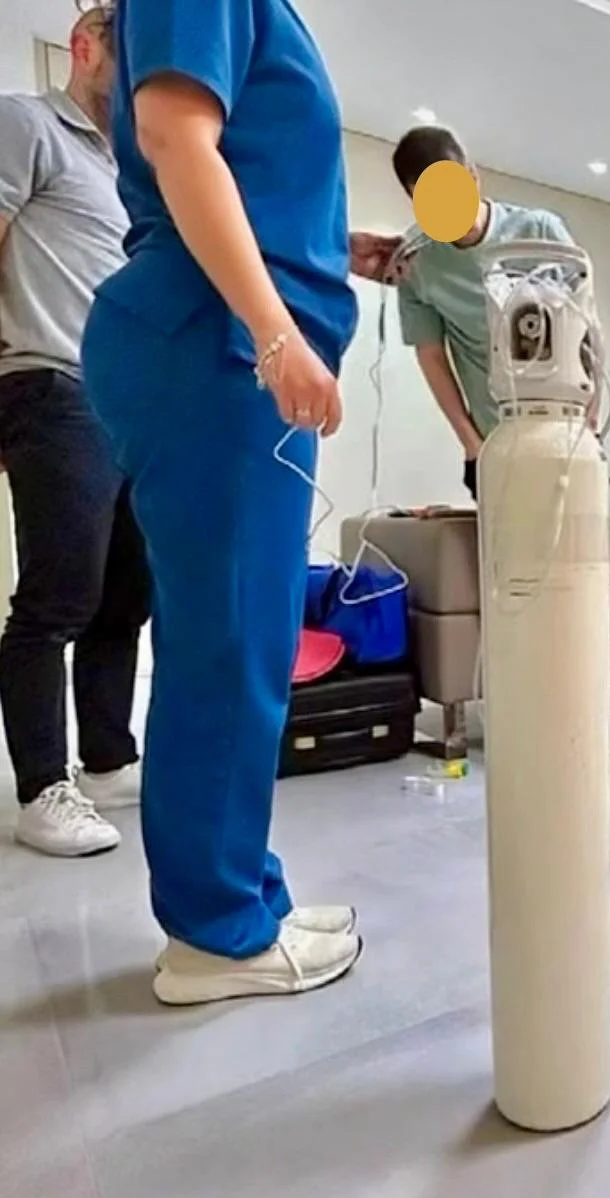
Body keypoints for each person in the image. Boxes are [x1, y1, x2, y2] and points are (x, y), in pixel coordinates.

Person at [81, 0, 363, 1005]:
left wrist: (337, 250)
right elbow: (170, 133)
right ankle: (216, 935)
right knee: (228, 647)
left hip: (213, 338)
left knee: (240, 642)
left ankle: (246, 898)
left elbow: (238, 157)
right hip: (214, 345)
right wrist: (277, 332)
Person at [0, 4, 150, 857]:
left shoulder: (125, 168)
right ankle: (41, 789)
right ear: (85, 46)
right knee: (56, 598)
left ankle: (104, 760)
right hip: (51, 383)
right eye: (128, 54)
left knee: (124, 598)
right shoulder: (26, 123)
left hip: (126, 402)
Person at [390, 124, 598, 501]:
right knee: (502, 557)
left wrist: (590, 425)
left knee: (576, 555)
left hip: (564, 431)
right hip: (493, 439)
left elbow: (587, 332)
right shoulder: (416, 262)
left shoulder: (539, 231)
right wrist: (471, 443)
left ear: (473, 175)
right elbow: (431, 355)